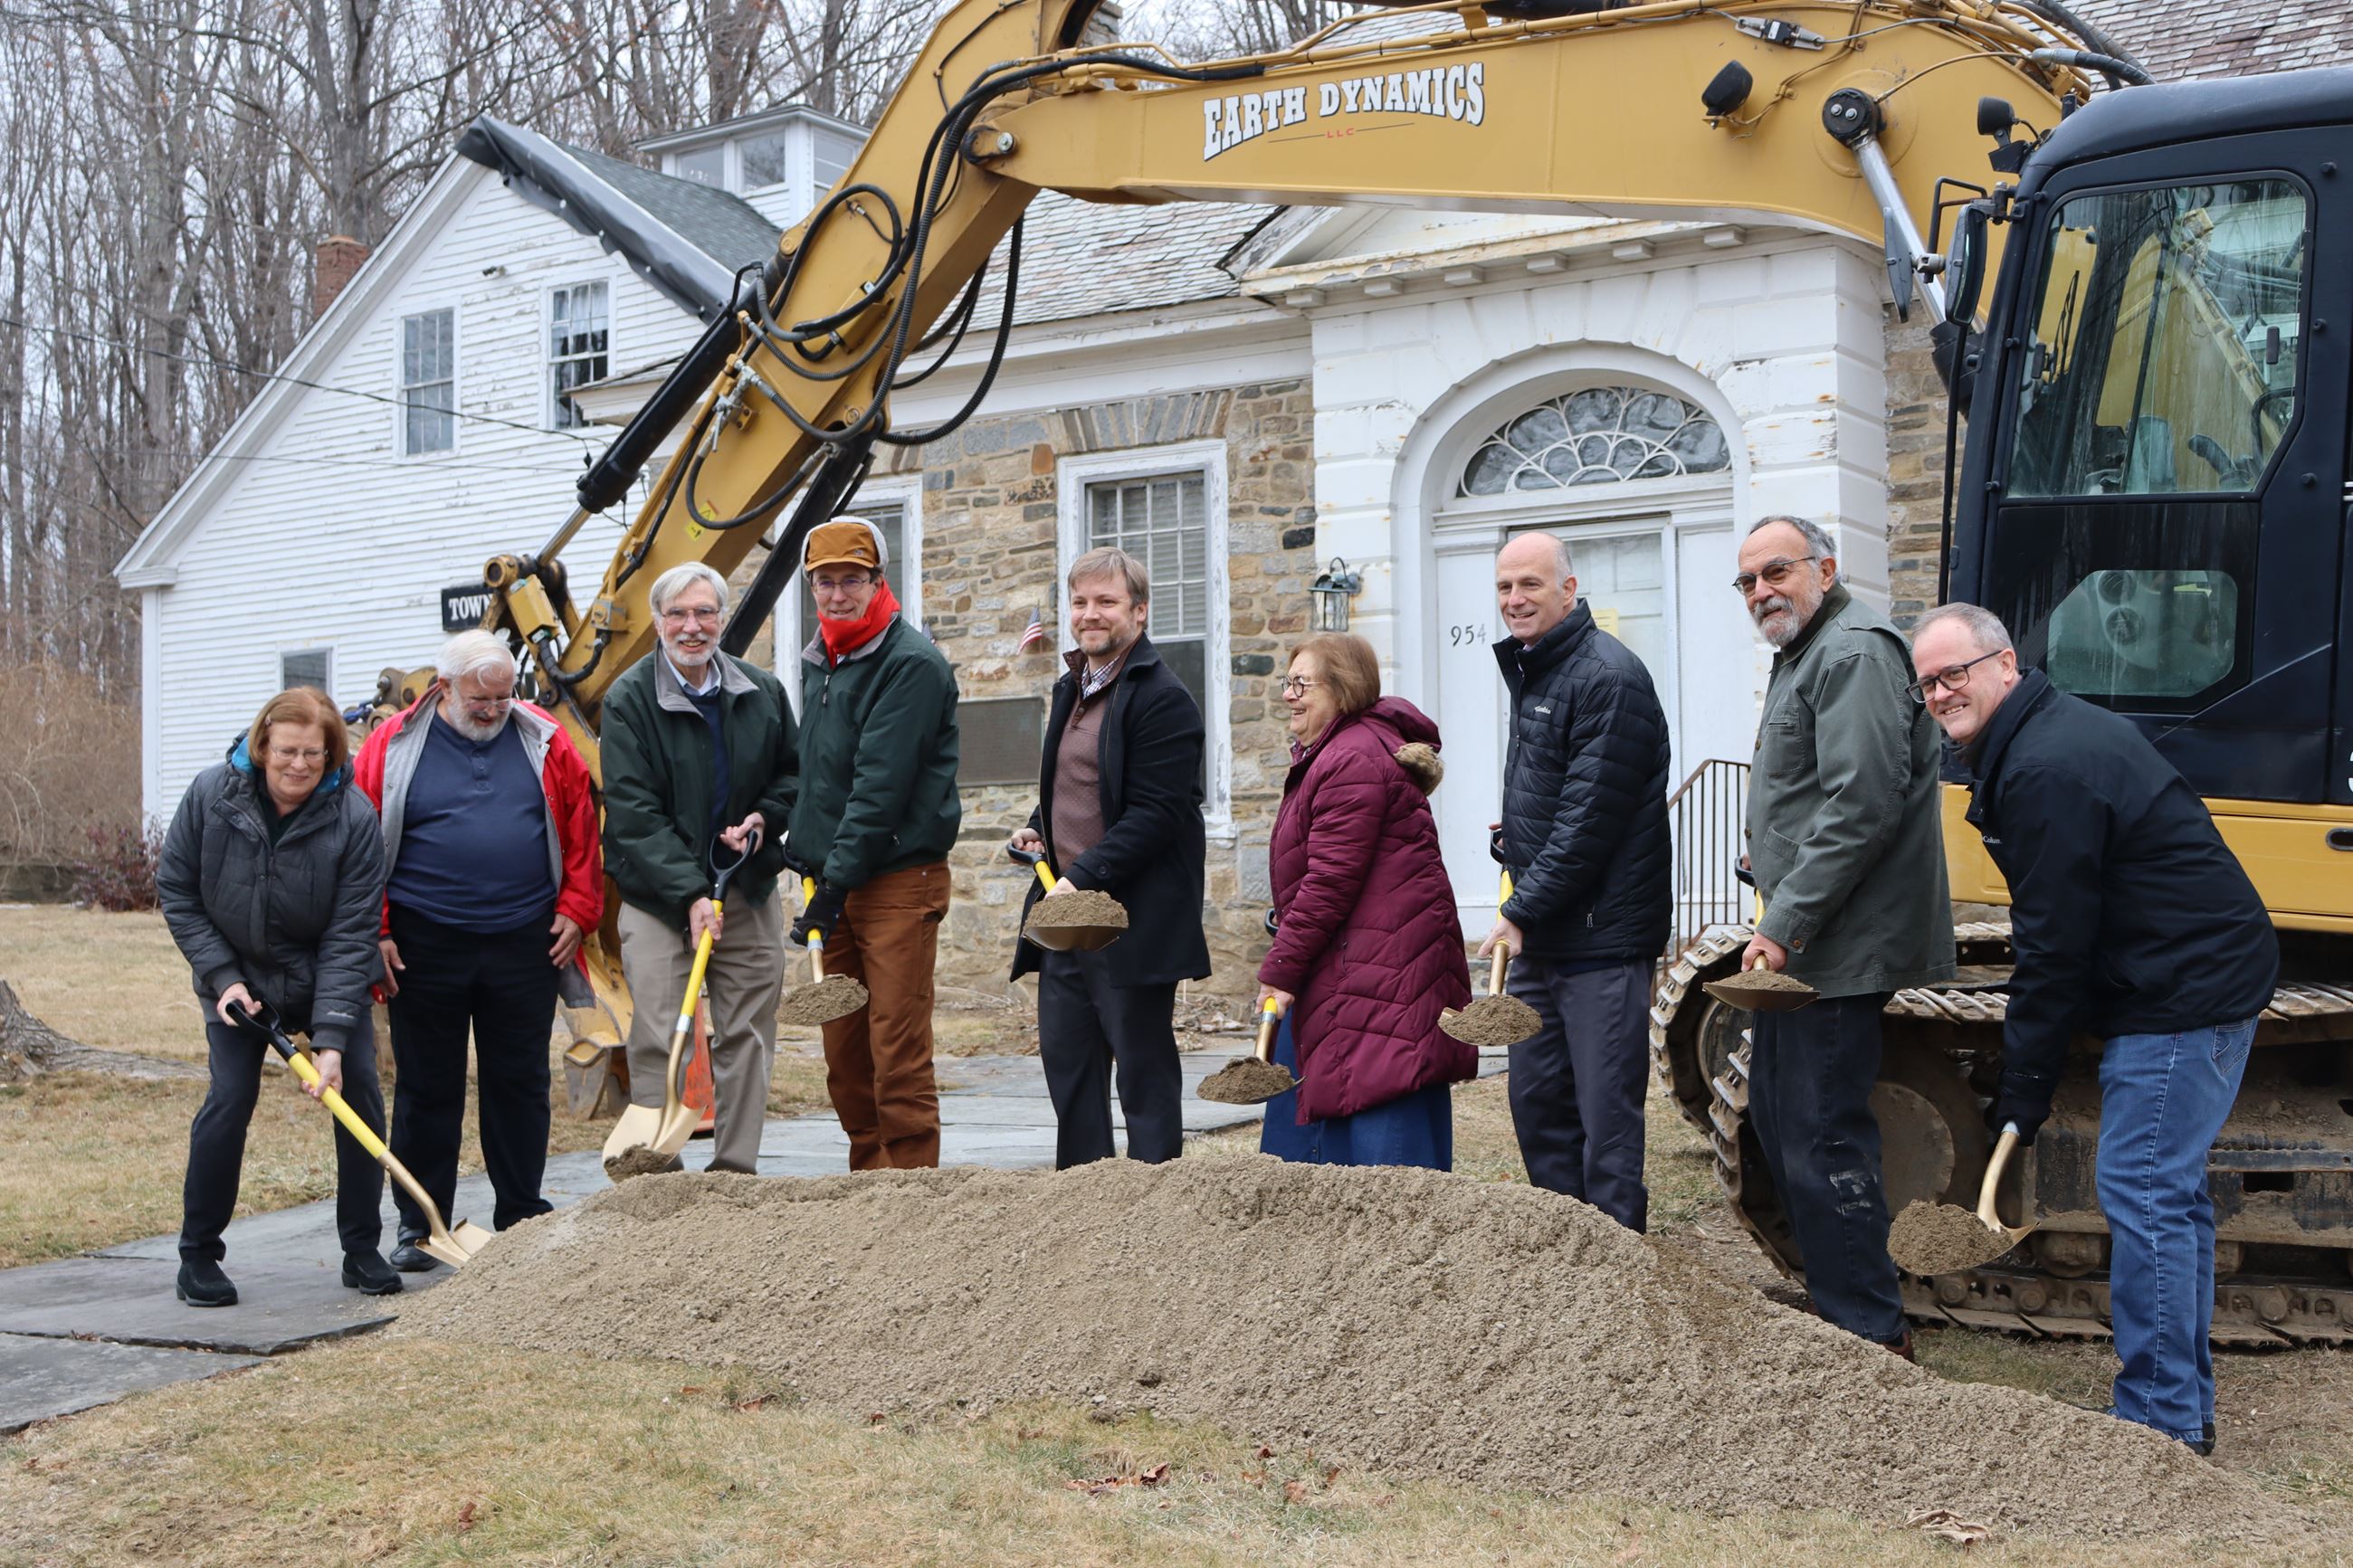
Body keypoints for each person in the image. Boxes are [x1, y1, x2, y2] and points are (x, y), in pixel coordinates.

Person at [1911, 602, 2277, 1452]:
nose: (1939, 693)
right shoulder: (2040, 738)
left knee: (2145, 1190)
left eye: (1954, 672)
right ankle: (2180, 1409)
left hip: (2182, 991)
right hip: (2186, 973)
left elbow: (2054, 944)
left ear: (2005, 664)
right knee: (2169, 1197)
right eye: (1926, 682)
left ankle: (2160, 1423)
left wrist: (2024, 1086)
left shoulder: (2045, 766)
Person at [1738, 514, 1955, 1354]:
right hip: (1810, 938)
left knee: (1820, 1135)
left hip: (1836, 945)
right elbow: (1817, 790)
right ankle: (1839, 1305)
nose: (1761, 591)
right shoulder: (1808, 652)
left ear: (1825, 570)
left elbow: (1861, 804)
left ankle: (1869, 1331)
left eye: (1777, 571)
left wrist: (1785, 920)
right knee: (1780, 1124)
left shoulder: (1854, 651)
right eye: (1748, 580)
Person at [353, 631, 602, 1270]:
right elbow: (359, 841)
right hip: (423, 942)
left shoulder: (544, 736)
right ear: (444, 687)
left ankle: (521, 1212)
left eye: (503, 696)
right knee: (426, 1086)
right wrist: (377, 928)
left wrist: (577, 908)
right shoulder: (392, 744)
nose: (493, 709)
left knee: (520, 1081)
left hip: (525, 940)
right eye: (479, 698)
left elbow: (581, 826)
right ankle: (421, 1223)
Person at [156, 688, 394, 1306]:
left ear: (331, 753)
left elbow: (351, 933)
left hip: (322, 977)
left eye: (313, 753)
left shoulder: (354, 817)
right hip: (235, 978)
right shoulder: (211, 795)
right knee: (231, 1098)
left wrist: (333, 1038)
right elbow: (178, 890)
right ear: (262, 745)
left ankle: (362, 1248)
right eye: (287, 750)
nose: (299, 765)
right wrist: (222, 977)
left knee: (359, 1094)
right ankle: (197, 1256)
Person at [1479, 532, 1671, 1231]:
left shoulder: (1607, 676)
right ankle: (1568, 1259)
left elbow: (1590, 820)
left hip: (1601, 941)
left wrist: (1521, 907)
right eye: (1504, 586)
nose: (1514, 599)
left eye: (1529, 584)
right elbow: (1563, 795)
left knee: (1605, 1122)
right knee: (1538, 1108)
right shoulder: (1539, 668)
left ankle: (1620, 1267)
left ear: (1568, 588)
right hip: (1546, 939)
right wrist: (1516, 835)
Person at [1009, 546, 1209, 1168]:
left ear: (1139, 612)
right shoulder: (1072, 686)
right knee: (1069, 1069)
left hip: (1133, 921)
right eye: (1080, 602)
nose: (1090, 614)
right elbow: (1079, 784)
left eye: (1106, 601)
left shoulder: (1163, 698)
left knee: (1143, 1075)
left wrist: (1081, 878)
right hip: (1067, 920)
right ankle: (1083, 1201)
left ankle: (1156, 1201)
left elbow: (1156, 813)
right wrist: (1038, 829)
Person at [602, 561, 800, 1174]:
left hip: (744, 886)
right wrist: (689, 893)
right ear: (658, 621)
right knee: (661, 1032)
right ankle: (658, 1173)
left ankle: (735, 1171)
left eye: (705, 612)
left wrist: (763, 818)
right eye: (678, 614)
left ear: (721, 617)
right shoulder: (629, 699)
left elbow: (793, 774)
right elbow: (633, 813)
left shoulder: (760, 692)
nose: (692, 626)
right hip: (659, 898)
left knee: (748, 1032)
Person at [1255, 633, 1473, 1168]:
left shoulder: (1351, 757)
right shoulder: (1340, 751)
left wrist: (1281, 968)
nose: (1288, 694)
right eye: (1287, 681)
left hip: (1382, 975)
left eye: (1302, 683)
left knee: (1386, 1152)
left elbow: (1329, 882)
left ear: (1344, 689)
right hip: (1363, 965)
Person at [787, 518, 961, 1171]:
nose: (837, 595)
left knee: (896, 1045)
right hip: (836, 879)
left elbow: (879, 788)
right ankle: (869, 1182)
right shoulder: (824, 659)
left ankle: (912, 1189)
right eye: (824, 582)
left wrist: (832, 885)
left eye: (851, 580)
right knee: (845, 1051)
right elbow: (818, 769)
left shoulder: (909, 664)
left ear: (878, 581)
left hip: (895, 881)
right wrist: (799, 837)